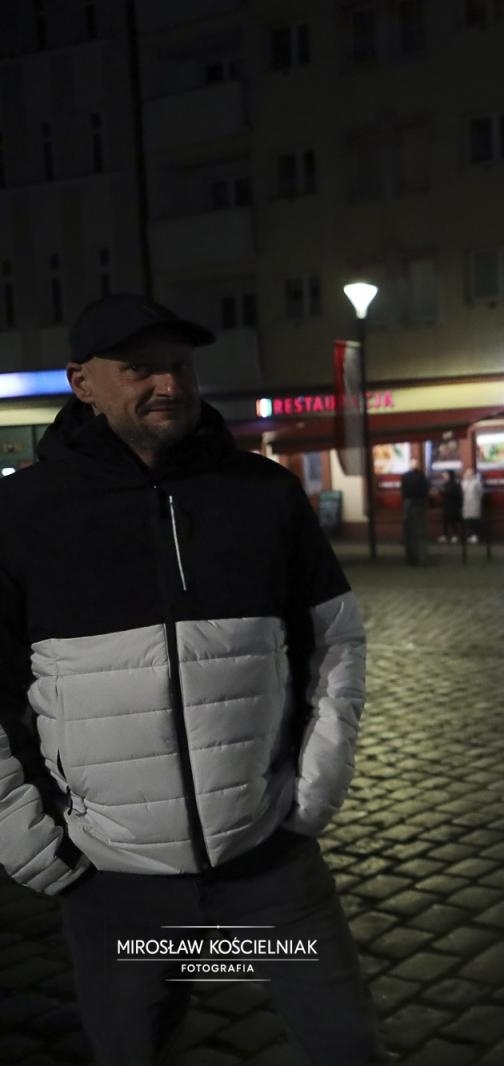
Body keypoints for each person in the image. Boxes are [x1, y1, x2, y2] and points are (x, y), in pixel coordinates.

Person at [0, 295, 384, 1064]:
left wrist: (311, 792)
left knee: (346, 1047)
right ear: (84, 382)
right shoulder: (20, 513)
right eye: (140, 368)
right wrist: (33, 846)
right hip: (116, 880)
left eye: (179, 365)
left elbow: (334, 642)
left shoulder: (263, 494)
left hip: (268, 864)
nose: (168, 384)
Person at [399, 457, 430, 565]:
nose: (415, 465)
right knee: (416, 532)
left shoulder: (415, 476)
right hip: (415, 504)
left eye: (416, 463)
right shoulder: (420, 476)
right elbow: (425, 489)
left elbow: (403, 491)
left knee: (415, 532)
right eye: (413, 463)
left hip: (413, 504)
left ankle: (415, 558)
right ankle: (417, 558)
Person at [460, 464, 485, 544]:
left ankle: (475, 536)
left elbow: (481, 492)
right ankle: (469, 536)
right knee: (467, 521)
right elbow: (462, 492)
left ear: (472, 474)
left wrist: (477, 499)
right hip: (466, 504)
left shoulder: (476, 482)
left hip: (475, 503)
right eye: (466, 473)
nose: (467, 475)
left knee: (475, 520)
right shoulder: (463, 482)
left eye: (469, 473)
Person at [438, 469, 464, 543]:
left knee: (453, 521)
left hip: (453, 505)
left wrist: (443, 493)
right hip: (446, 505)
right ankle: (445, 535)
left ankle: (455, 535)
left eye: (445, 475)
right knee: (445, 521)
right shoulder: (446, 484)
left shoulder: (455, 484)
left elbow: (456, 495)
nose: (444, 476)